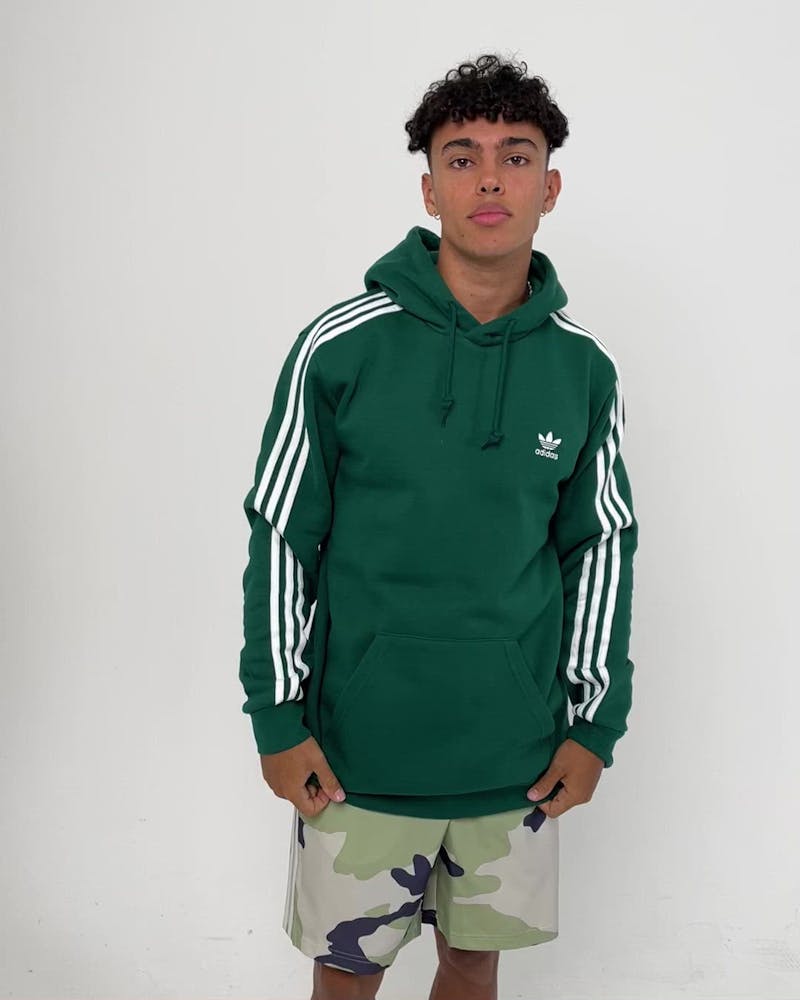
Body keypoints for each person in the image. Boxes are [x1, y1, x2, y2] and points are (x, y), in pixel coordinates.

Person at [238, 53, 638, 1000]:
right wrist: (276, 715)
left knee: (472, 964)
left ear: (549, 187)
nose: (489, 179)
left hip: (516, 756)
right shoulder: (340, 348)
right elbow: (282, 534)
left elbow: (600, 548)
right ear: (429, 189)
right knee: (347, 972)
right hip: (358, 754)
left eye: (515, 156)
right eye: (462, 158)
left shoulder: (583, 370)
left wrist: (596, 723)